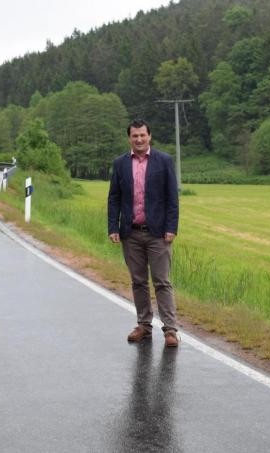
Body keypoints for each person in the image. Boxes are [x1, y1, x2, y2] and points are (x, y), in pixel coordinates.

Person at [108, 119, 180, 347]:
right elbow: (114, 197)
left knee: (162, 282)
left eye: (142, 135)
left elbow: (172, 198)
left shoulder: (164, 161)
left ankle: (170, 330)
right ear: (129, 138)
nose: (139, 139)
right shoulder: (120, 164)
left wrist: (171, 228)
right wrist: (113, 227)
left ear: (149, 136)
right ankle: (144, 326)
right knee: (138, 282)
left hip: (158, 233)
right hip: (131, 233)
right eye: (134, 136)